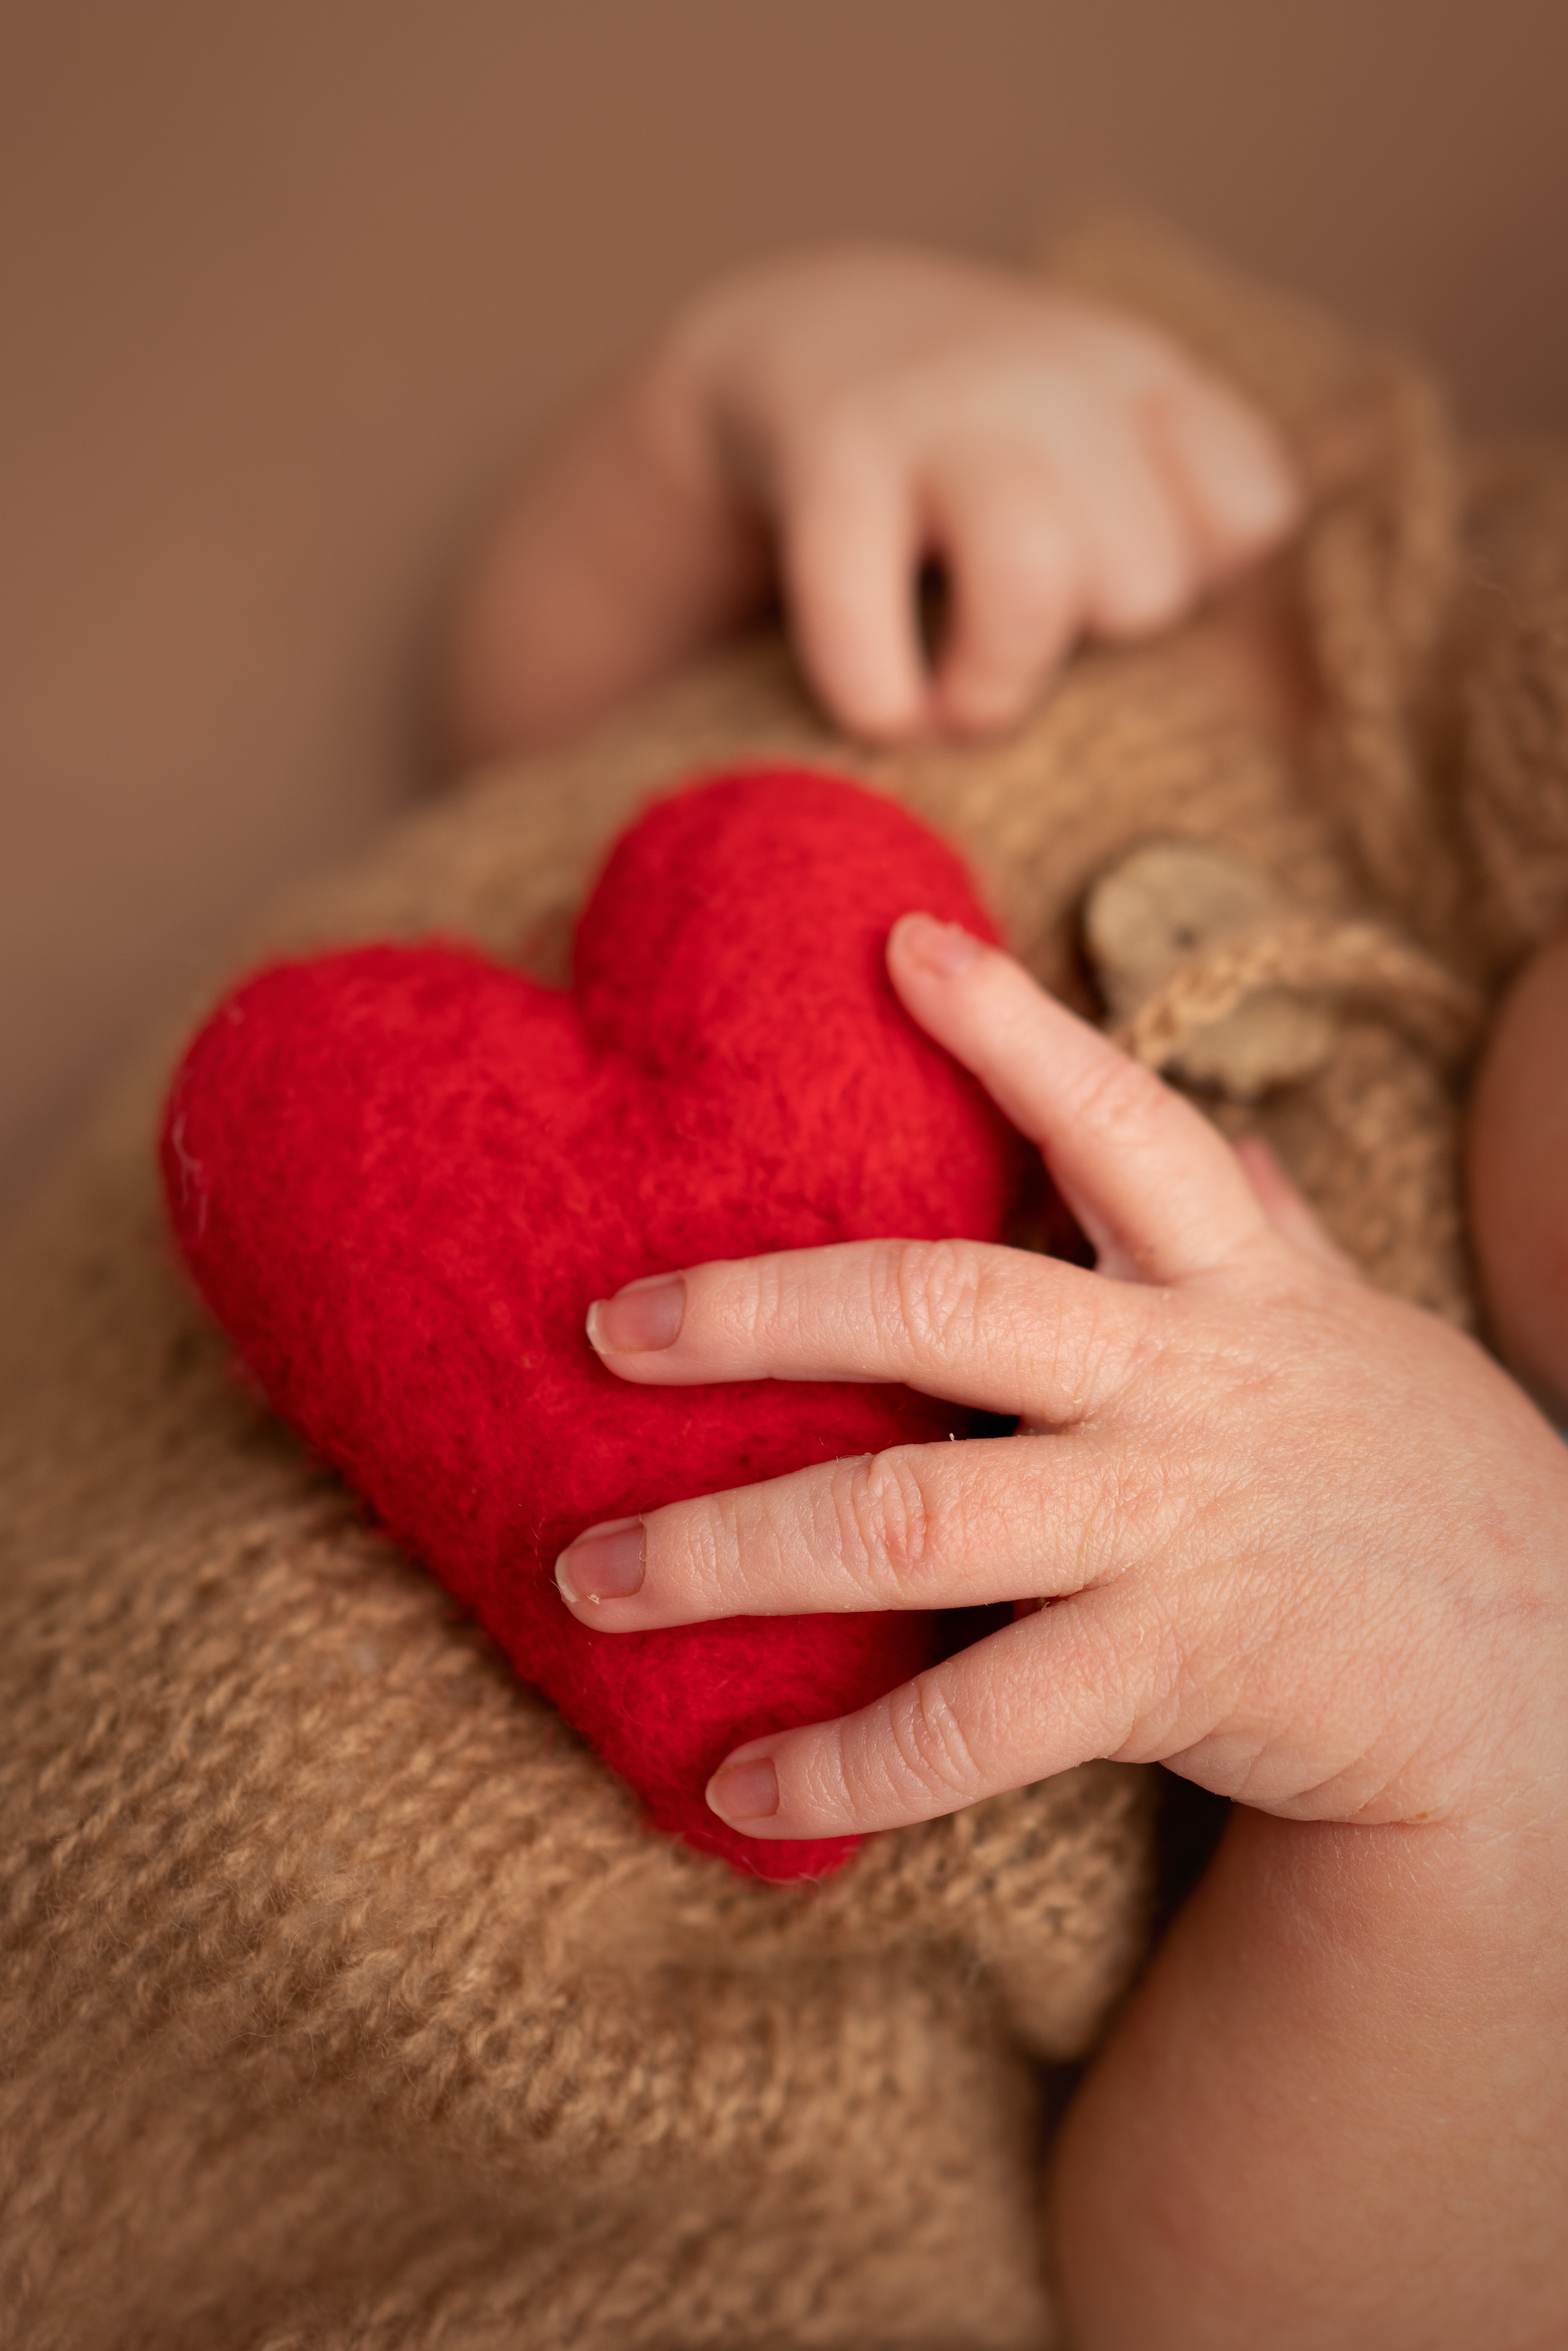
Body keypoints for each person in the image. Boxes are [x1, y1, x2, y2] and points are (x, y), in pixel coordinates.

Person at [447, 244, 1567, 2345]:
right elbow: (519, 758)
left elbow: (1228, 2310)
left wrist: (1498, 1763)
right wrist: (746, 400)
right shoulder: (1248, 479)